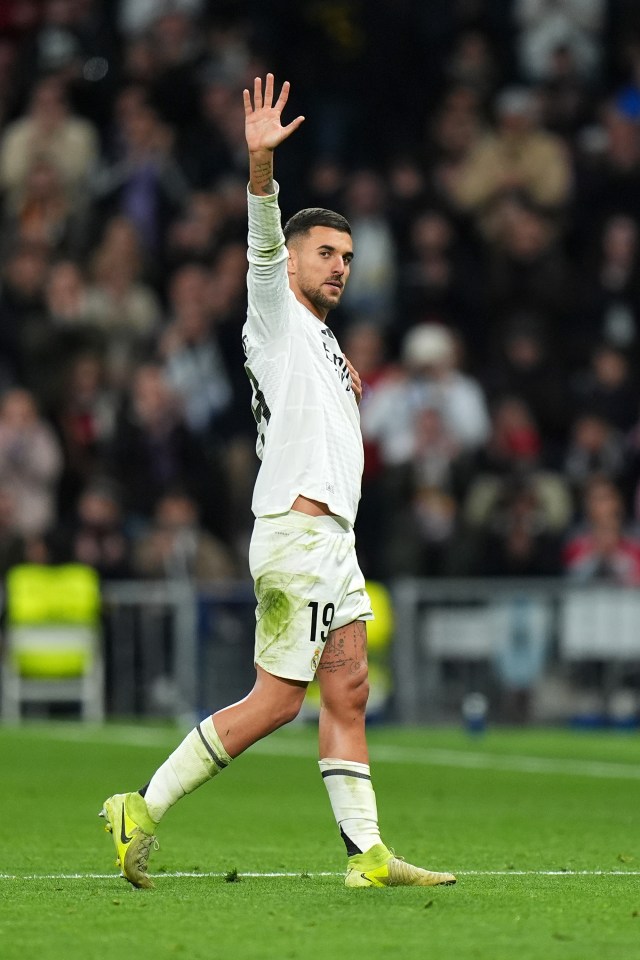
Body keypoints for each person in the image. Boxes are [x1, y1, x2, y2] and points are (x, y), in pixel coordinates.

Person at [100, 74, 456, 891]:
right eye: (326, 254)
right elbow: (262, 245)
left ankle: (367, 857)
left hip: (337, 541)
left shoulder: (324, 344)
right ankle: (141, 807)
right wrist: (260, 168)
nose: (340, 267)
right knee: (276, 702)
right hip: (297, 532)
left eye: (348, 258)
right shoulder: (274, 310)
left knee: (351, 686)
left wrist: (342, 377)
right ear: (293, 259)